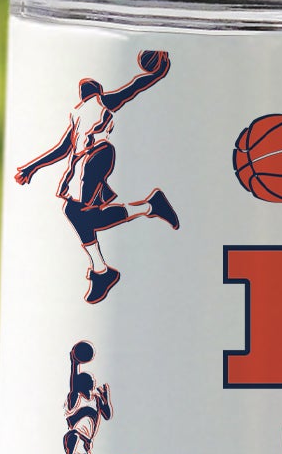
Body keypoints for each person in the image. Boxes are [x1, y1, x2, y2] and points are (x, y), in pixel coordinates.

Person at [14, 50, 179, 303]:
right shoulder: (77, 114)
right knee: (76, 213)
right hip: (83, 161)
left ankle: (103, 270)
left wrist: (157, 74)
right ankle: (147, 210)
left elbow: (134, 87)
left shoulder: (102, 102)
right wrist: (32, 167)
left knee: (80, 213)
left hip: (96, 155)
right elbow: (63, 149)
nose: (84, 89)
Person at [16, 341, 109, 454]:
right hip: (75, 438)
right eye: (90, 382)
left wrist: (104, 399)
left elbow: (107, 414)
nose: (93, 384)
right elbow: (73, 382)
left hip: (83, 442)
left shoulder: (95, 400)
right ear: (83, 385)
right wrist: (74, 362)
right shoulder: (75, 398)